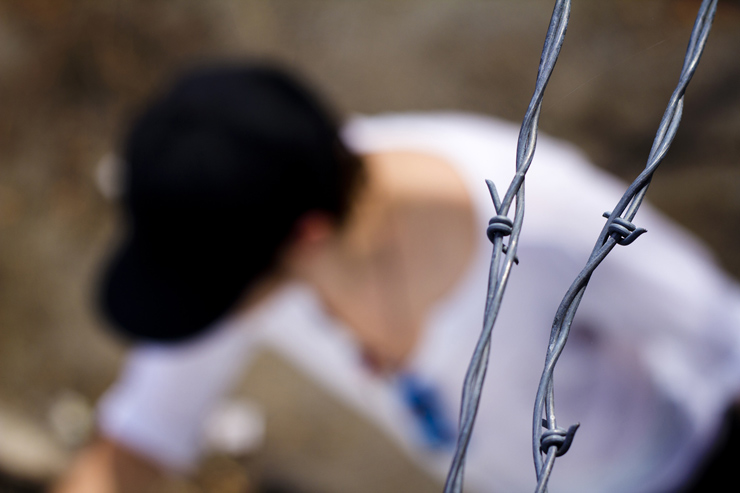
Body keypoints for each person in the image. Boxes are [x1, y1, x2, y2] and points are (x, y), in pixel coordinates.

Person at [54, 62, 740, 493]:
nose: (216, 308)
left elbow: (724, 332)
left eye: (227, 291)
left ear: (306, 238)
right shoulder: (246, 220)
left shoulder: (547, 221)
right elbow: (141, 435)